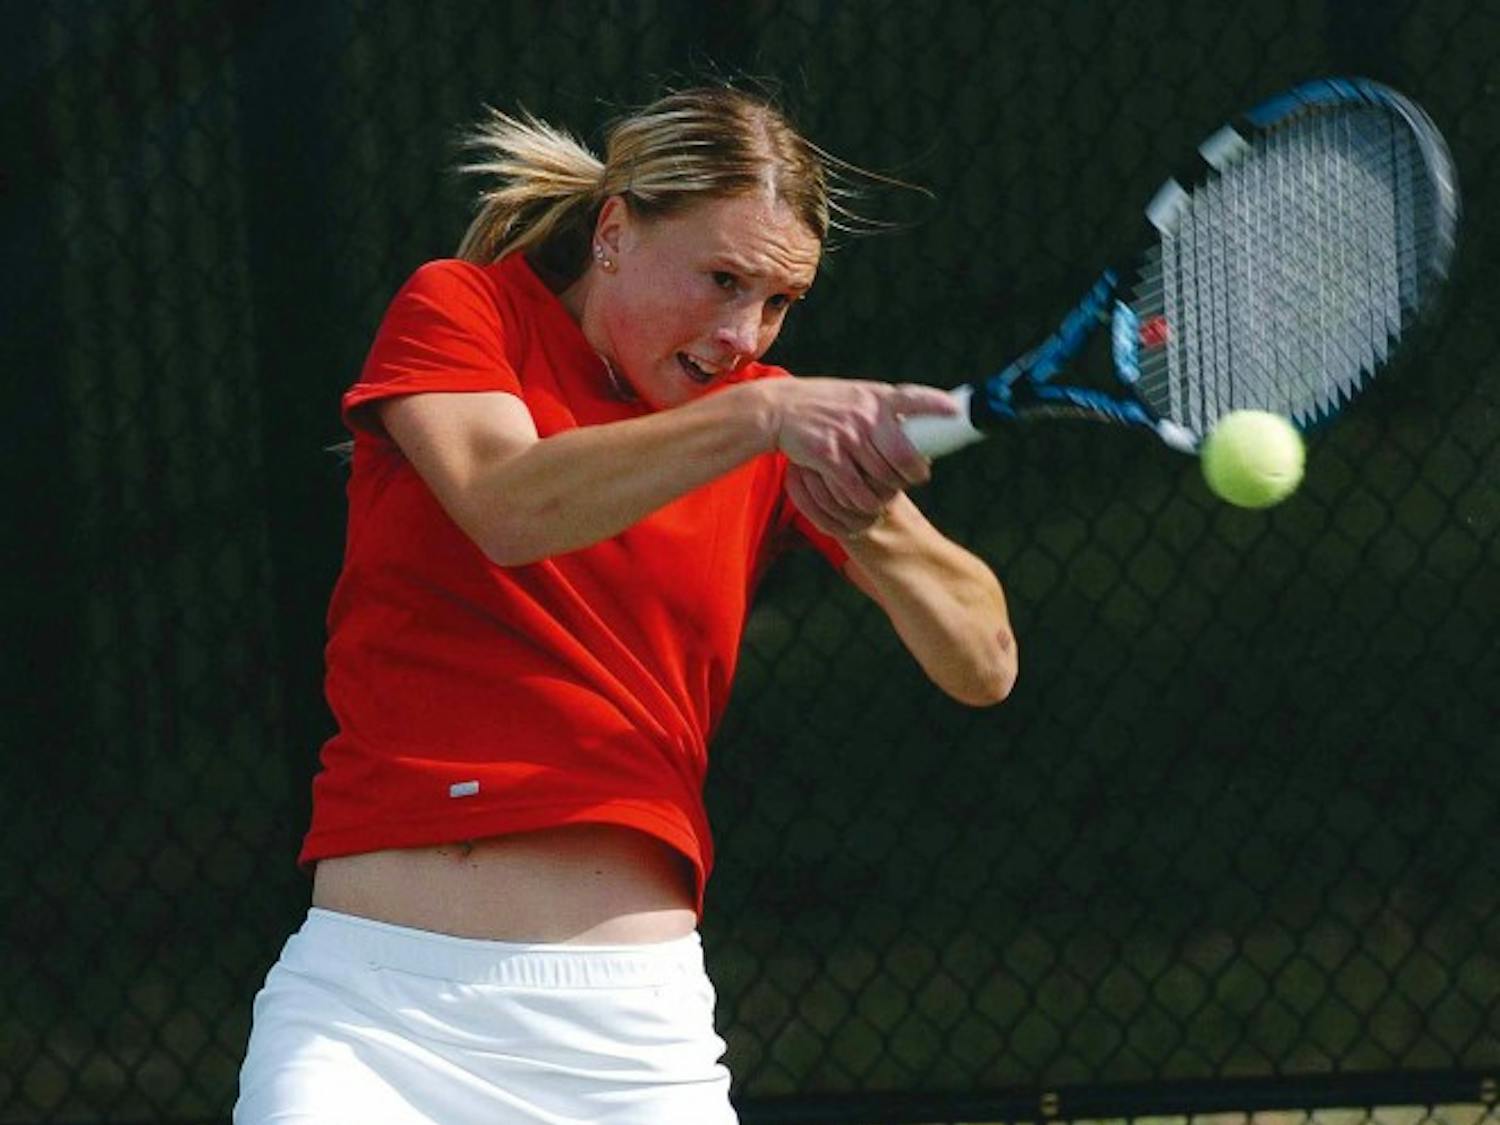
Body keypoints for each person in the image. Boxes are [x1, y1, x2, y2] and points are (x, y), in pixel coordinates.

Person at [234, 84, 1017, 1124]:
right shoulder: (465, 311)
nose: (744, 331)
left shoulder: (757, 429)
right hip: (369, 1021)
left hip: (630, 1042)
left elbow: (984, 658)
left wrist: (865, 516)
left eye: (778, 302)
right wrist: (763, 414)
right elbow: (508, 503)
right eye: (722, 277)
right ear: (614, 232)